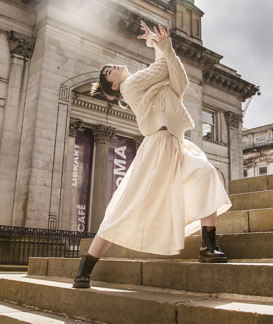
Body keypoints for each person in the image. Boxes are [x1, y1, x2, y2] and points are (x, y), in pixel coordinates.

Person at [73, 21, 232, 288]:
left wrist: (162, 46)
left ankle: (208, 245)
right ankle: (84, 270)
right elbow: (162, 69)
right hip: (157, 147)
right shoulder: (131, 86)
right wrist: (158, 45)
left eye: (109, 67)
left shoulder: (149, 84)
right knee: (124, 207)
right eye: (107, 72)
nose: (111, 68)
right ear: (113, 87)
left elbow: (179, 80)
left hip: (177, 143)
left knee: (206, 174)